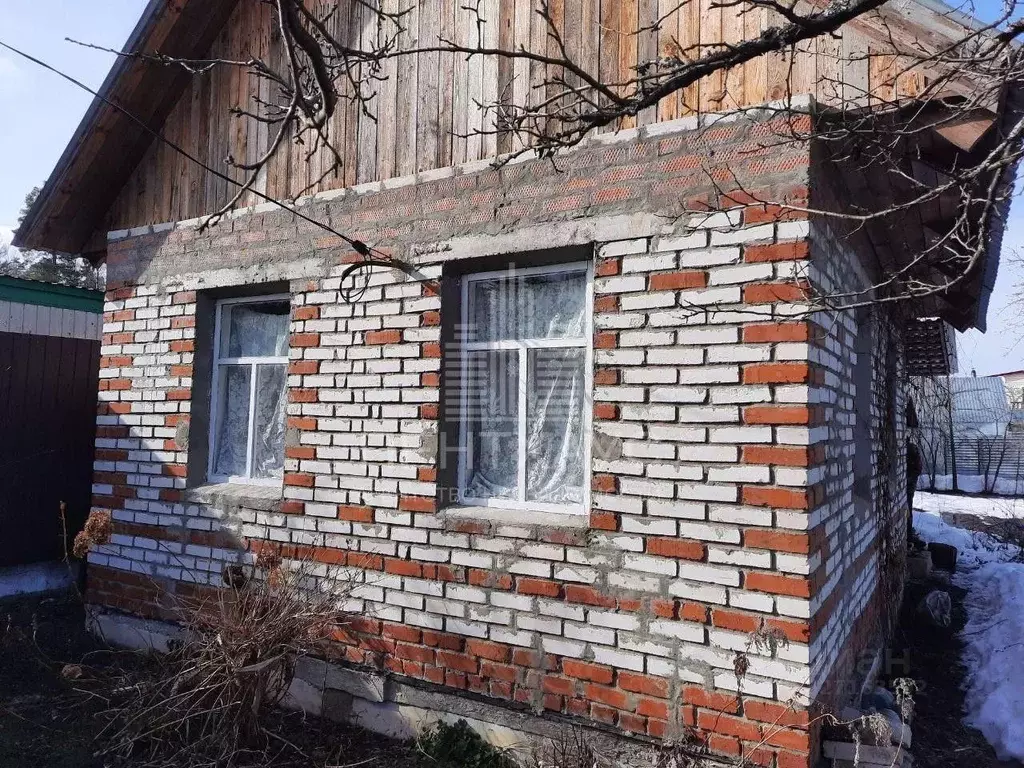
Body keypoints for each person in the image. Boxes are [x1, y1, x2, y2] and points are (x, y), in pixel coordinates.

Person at [905, 398, 922, 546]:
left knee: (908, 509)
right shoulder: (911, 448)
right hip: (908, 485)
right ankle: (908, 534)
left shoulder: (910, 449)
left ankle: (908, 534)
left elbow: (917, 469)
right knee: (908, 509)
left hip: (908, 485)